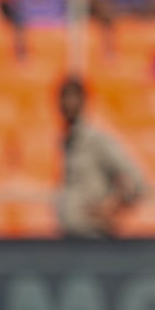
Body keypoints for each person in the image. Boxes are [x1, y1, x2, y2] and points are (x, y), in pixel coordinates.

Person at [57, 76, 146, 239]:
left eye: (73, 97)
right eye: (64, 97)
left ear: (84, 101)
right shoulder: (65, 143)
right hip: (71, 240)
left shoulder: (96, 140)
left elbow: (138, 180)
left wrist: (113, 205)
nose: (68, 103)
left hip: (94, 240)